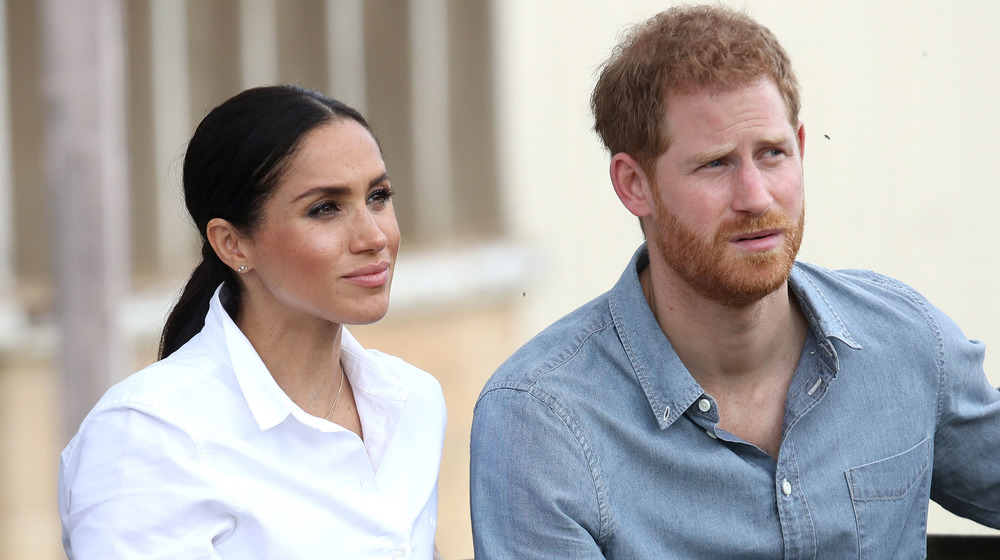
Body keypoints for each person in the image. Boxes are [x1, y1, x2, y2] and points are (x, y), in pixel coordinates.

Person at [470, 5, 1000, 558]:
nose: (755, 197)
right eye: (716, 164)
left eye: (772, 154)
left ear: (800, 145)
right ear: (634, 185)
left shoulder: (905, 343)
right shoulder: (542, 422)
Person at [58, 85, 446, 559]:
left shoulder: (411, 401)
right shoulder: (150, 435)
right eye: (325, 208)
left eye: (378, 196)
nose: (373, 236)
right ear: (232, 244)